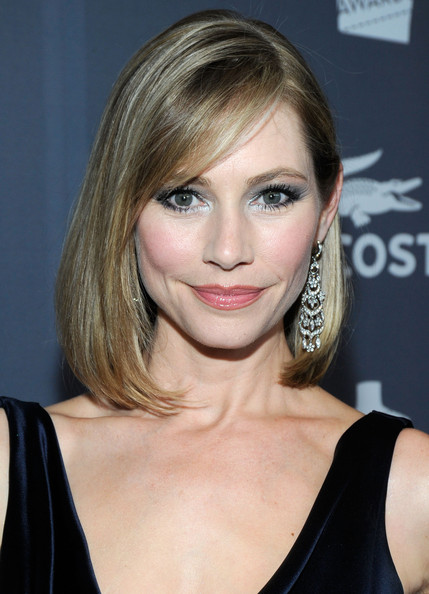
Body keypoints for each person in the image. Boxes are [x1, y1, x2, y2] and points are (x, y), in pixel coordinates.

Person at [0, 9, 428, 593]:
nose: (228, 250)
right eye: (184, 197)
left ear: (327, 209)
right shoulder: (9, 467)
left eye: (272, 196)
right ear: (124, 211)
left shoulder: (412, 490)